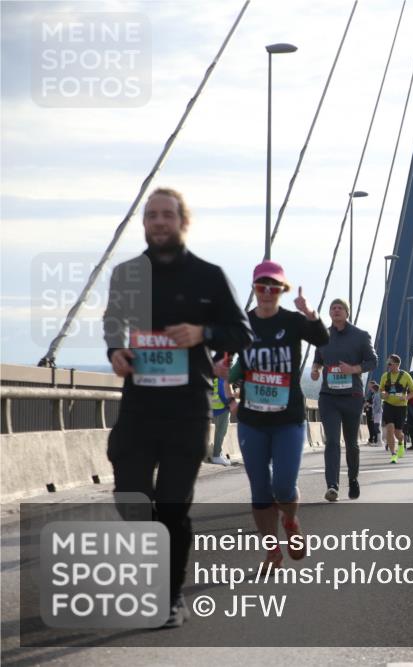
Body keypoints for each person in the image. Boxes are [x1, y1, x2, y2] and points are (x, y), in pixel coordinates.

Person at [103, 188, 253, 628]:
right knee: (130, 497)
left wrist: (203, 333)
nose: (159, 222)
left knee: (172, 506)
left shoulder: (209, 275)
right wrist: (115, 352)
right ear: (144, 223)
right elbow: (113, 322)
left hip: (187, 409)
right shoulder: (127, 274)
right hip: (138, 406)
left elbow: (240, 333)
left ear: (182, 221)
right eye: (152, 215)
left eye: (167, 215)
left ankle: (167, 597)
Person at [229, 261, 329, 567]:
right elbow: (228, 366)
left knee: (284, 486)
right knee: (260, 489)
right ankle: (271, 549)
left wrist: (310, 313)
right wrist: (229, 391)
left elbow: (323, 340)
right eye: (262, 286)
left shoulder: (294, 321)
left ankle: (291, 521)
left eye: (274, 287)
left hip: (288, 420)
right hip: (252, 421)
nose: (267, 292)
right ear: (255, 289)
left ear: (282, 290)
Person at [311, 299, 377, 501]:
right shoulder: (323, 335)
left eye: (340, 308)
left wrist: (354, 369)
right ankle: (332, 486)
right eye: (333, 308)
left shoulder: (360, 336)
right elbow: (318, 359)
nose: (336, 310)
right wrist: (315, 370)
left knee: (351, 444)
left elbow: (373, 361)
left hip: (352, 397)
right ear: (329, 313)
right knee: (331, 441)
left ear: (347, 313)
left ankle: (353, 479)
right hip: (328, 397)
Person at [379, 354, 413, 464]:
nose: (388, 366)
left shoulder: (405, 376)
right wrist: (383, 394)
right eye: (388, 364)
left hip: (401, 407)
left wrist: (406, 397)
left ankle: (401, 441)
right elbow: (381, 390)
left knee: (398, 433)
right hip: (388, 405)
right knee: (390, 429)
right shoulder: (385, 376)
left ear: (396, 364)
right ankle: (393, 454)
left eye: (390, 364)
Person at [209, 353, 235, 466]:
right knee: (221, 433)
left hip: (216, 408)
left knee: (220, 432)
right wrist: (229, 403)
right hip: (222, 408)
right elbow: (222, 391)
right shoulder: (222, 376)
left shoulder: (216, 374)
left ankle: (218, 454)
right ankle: (216, 455)